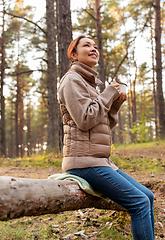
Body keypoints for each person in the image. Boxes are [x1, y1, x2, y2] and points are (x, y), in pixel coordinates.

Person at [57, 35, 155, 240]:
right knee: (139, 202)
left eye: (95, 45)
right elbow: (85, 120)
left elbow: (103, 125)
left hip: (101, 161)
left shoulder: (90, 84)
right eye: (86, 46)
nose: (93, 48)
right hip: (84, 163)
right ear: (73, 55)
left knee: (148, 196)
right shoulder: (71, 80)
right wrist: (108, 93)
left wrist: (115, 103)